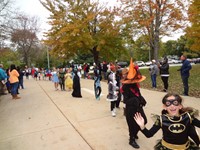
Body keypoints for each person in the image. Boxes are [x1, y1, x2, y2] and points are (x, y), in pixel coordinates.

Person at [134, 93, 200, 149]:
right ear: (165, 107)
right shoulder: (162, 120)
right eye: (168, 103)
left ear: (180, 106)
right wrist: (142, 126)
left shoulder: (188, 117)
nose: (172, 106)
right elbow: (149, 134)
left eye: (175, 103)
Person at [121, 58, 147, 149]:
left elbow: (138, 93)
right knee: (132, 124)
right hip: (130, 109)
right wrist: (134, 100)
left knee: (144, 121)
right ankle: (131, 139)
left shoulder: (135, 85)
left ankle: (135, 133)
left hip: (138, 107)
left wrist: (141, 99)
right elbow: (125, 100)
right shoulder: (125, 87)